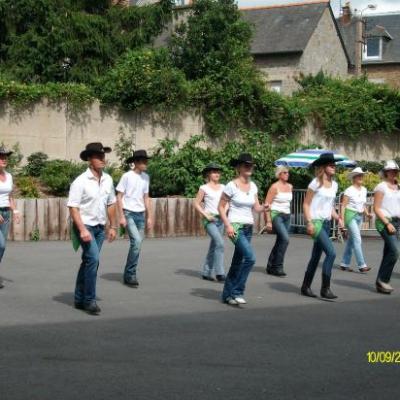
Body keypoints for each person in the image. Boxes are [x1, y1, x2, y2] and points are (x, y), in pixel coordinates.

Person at [68, 142, 117, 315]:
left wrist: (113, 225)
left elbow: (111, 203)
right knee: (94, 260)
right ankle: (89, 300)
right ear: (89, 159)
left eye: (103, 155)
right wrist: (82, 229)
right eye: (98, 156)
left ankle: (79, 298)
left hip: (99, 227)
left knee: (89, 261)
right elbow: (73, 207)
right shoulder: (80, 181)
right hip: (85, 225)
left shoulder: (108, 179)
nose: (102, 159)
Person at [218, 153, 267, 306]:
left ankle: (227, 295)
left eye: (251, 165)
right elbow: (220, 207)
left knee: (237, 263)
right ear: (238, 167)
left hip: (248, 227)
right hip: (236, 226)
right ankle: (238, 291)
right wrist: (227, 225)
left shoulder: (253, 186)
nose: (249, 168)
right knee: (250, 258)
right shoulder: (231, 185)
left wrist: (264, 207)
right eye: (246, 165)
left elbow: (256, 207)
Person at [301, 153, 343, 300]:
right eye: (331, 165)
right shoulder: (315, 183)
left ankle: (305, 286)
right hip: (316, 222)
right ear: (324, 167)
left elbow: (329, 205)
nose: (334, 167)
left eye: (334, 165)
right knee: (331, 253)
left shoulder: (335, 185)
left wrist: (337, 217)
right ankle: (325, 288)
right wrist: (309, 222)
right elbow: (306, 204)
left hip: (326, 223)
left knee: (315, 257)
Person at [116, 150, 152, 288]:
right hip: (128, 213)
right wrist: (121, 216)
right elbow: (119, 196)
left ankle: (128, 273)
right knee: (136, 242)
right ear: (136, 162)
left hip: (141, 214)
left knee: (137, 245)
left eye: (146, 161)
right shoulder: (127, 176)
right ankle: (131, 274)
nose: (146, 163)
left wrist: (149, 217)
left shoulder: (146, 177)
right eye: (143, 161)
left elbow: (146, 197)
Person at [194, 163, 225, 282]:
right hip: (210, 220)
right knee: (220, 243)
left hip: (221, 219)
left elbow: (226, 202)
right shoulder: (204, 188)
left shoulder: (224, 187)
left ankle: (207, 272)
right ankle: (220, 273)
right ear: (208, 174)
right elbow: (196, 203)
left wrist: (224, 212)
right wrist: (206, 214)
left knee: (215, 246)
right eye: (214, 172)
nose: (217, 174)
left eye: (218, 172)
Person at [373, 160, 400, 294]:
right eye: (391, 171)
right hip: (384, 221)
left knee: (389, 252)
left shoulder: (398, 186)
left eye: (395, 171)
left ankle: (380, 284)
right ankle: (383, 280)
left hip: (397, 222)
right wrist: (387, 223)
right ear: (385, 172)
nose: (393, 173)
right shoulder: (381, 187)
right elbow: (376, 208)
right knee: (395, 251)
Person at [339, 167, 371, 273]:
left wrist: (367, 213)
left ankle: (344, 263)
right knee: (357, 239)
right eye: (358, 175)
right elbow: (343, 206)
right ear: (354, 178)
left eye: (362, 175)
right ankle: (362, 265)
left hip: (359, 216)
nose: (361, 177)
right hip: (350, 216)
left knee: (352, 241)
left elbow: (363, 204)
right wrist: (342, 220)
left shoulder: (364, 189)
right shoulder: (349, 190)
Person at [264, 166, 293, 277]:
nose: (287, 174)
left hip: (287, 215)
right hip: (276, 215)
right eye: (284, 172)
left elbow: (287, 202)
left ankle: (270, 265)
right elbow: (267, 204)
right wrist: (268, 221)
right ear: (279, 174)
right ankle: (278, 267)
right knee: (285, 240)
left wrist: (289, 213)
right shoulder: (274, 187)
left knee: (280, 241)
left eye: (288, 173)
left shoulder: (290, 186)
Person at [0, 146, 21, 289]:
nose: (4, 159)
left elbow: (10, 196)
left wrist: (15, 211)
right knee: (0, 244)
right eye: (1, 157)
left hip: (6, 214)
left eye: (5, 157)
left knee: (2, 247)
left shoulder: (9, 176)